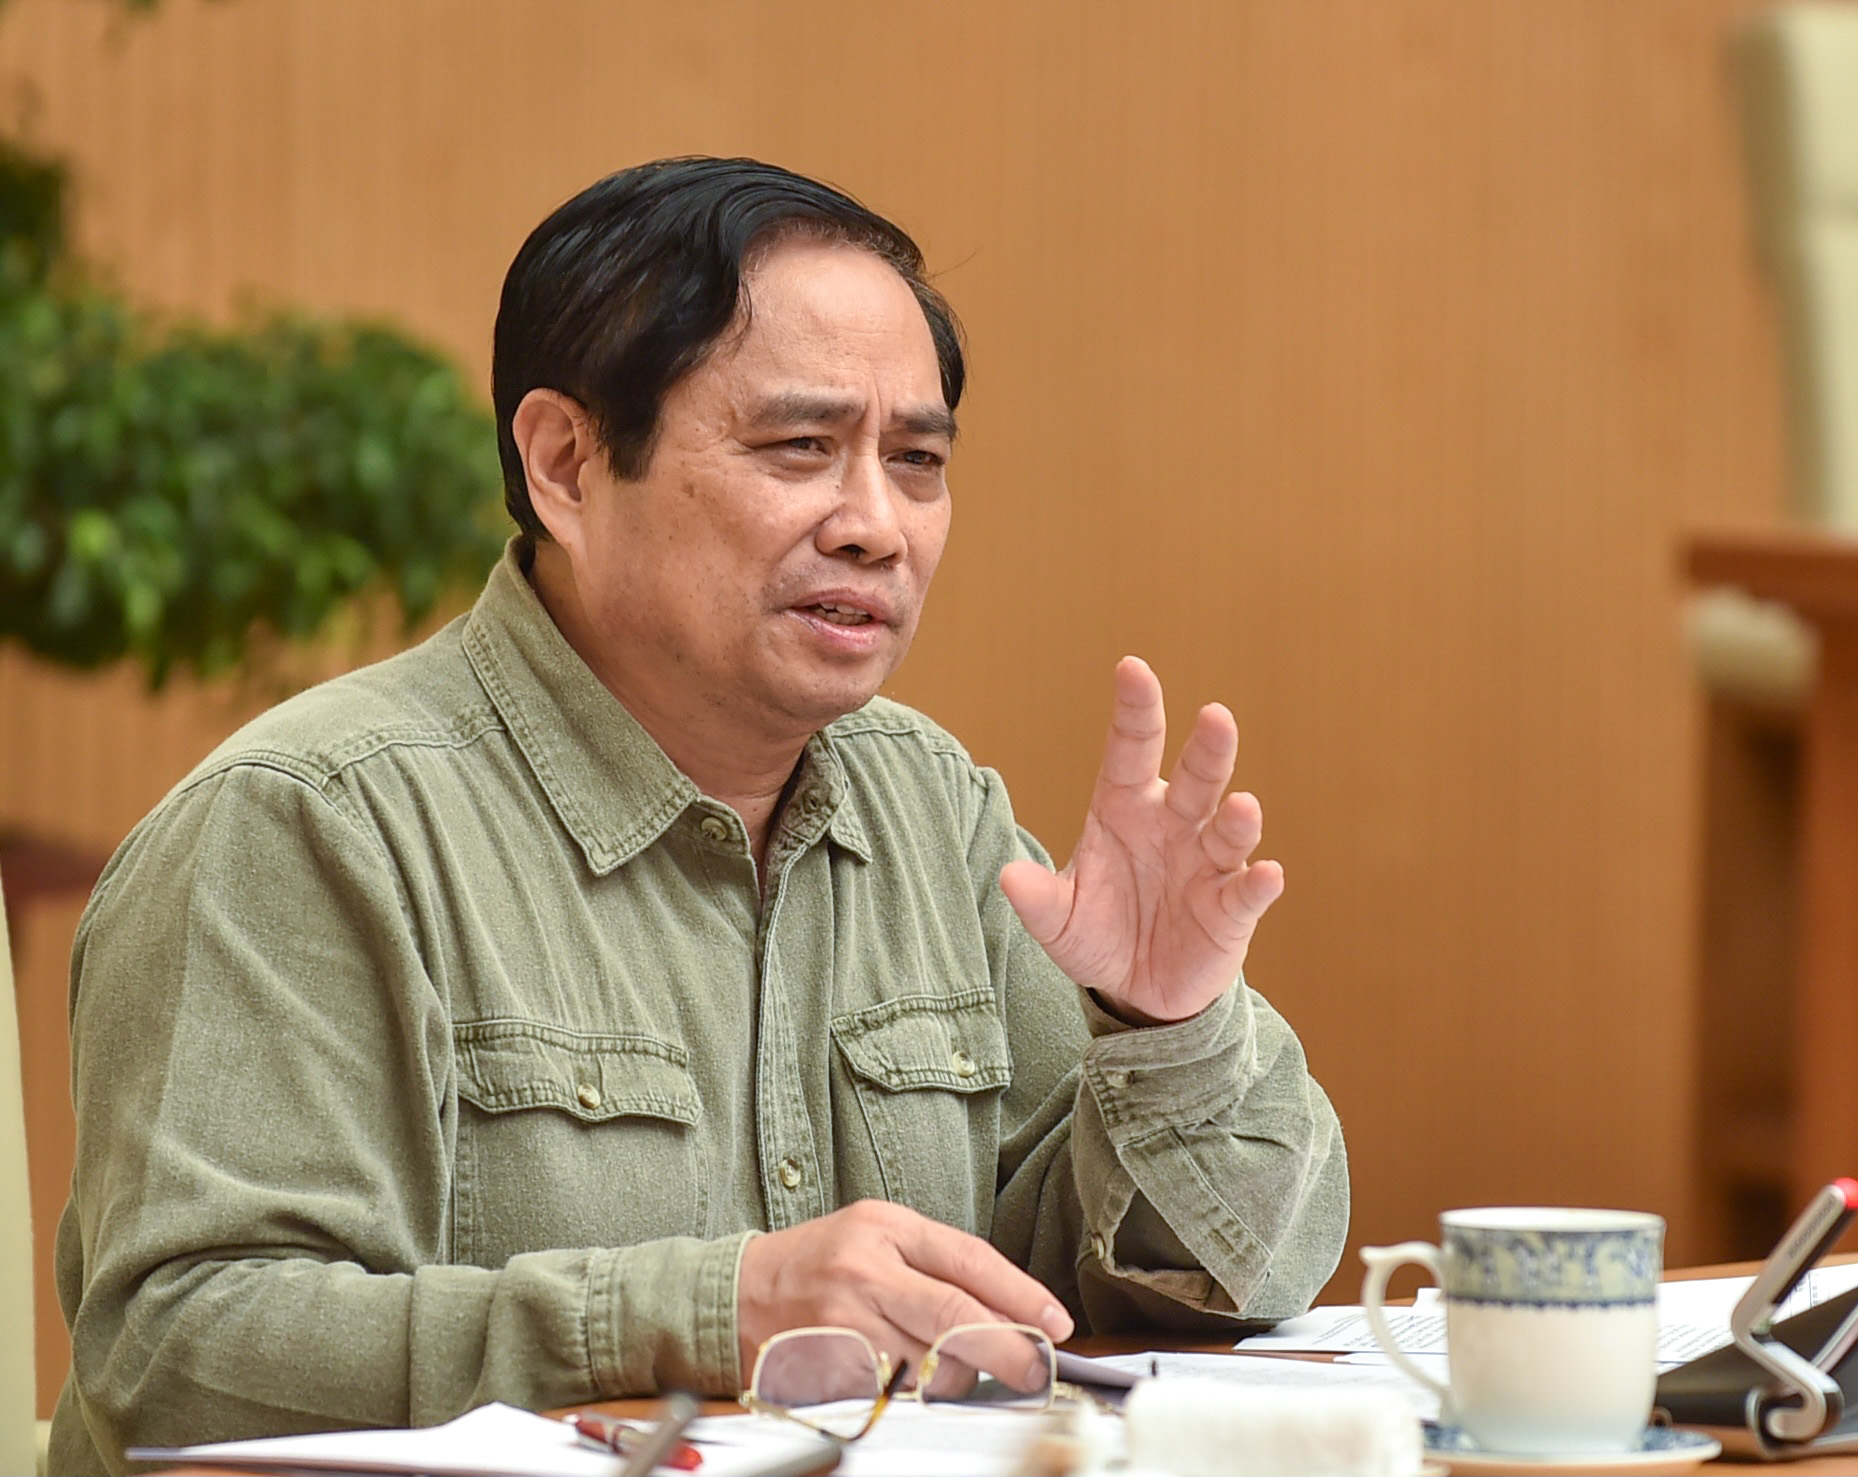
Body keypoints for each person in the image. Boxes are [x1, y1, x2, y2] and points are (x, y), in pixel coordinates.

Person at [48, 157, 1348, 1475]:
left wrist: (1168, 1032)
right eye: (800, 448)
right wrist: (703, 1317)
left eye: (917, 461)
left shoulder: (932, 805)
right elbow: (181, 1355)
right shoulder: (307, 825)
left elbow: (1198, 1280)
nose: (876, 526)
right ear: (566, 464)